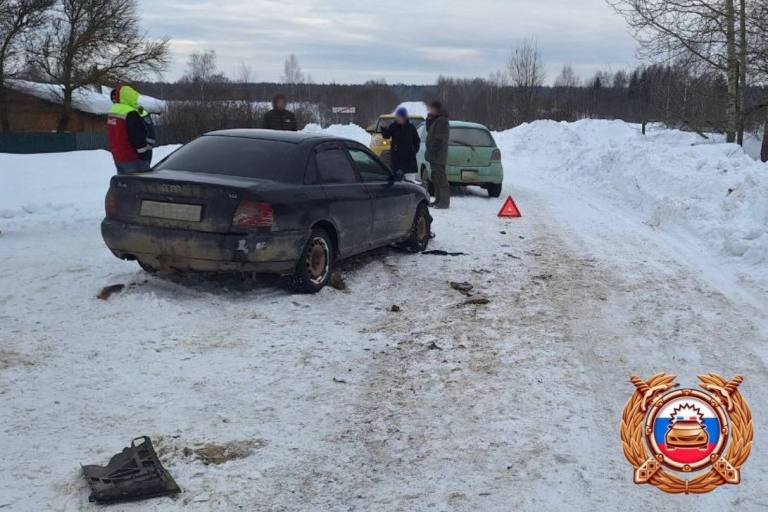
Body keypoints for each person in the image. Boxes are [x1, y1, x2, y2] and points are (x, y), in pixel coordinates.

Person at [107, 85, 152, 174]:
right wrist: (144, 155)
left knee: (124, 185)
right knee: (141, 186)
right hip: (134, 158)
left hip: (119, 158)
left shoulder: (112, 111)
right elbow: (138, 136)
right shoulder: (131, 112)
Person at [425, 100, 450, 209]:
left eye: (431, 109)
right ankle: (438, 200)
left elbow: (439, 138)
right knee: (435, 178)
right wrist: (429, 119)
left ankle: (444, 202)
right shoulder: (436, 120)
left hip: (438, 155)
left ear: (437, 109)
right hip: (433, 155)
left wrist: (432, 148)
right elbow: (428, 130)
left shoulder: (442, 121)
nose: (429, 110)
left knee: (441, 178)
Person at [381, 107, 420, 175]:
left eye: (399, 116)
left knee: (409, 182)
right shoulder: (393, 126)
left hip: (409, 161)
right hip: (396, 161)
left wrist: (413, 151)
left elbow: (417, 141)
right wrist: (384, 128)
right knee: (397, 182)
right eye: (397, 116)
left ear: (404, 117)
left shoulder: (411, 127)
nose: (397, 118)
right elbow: (386, 135)